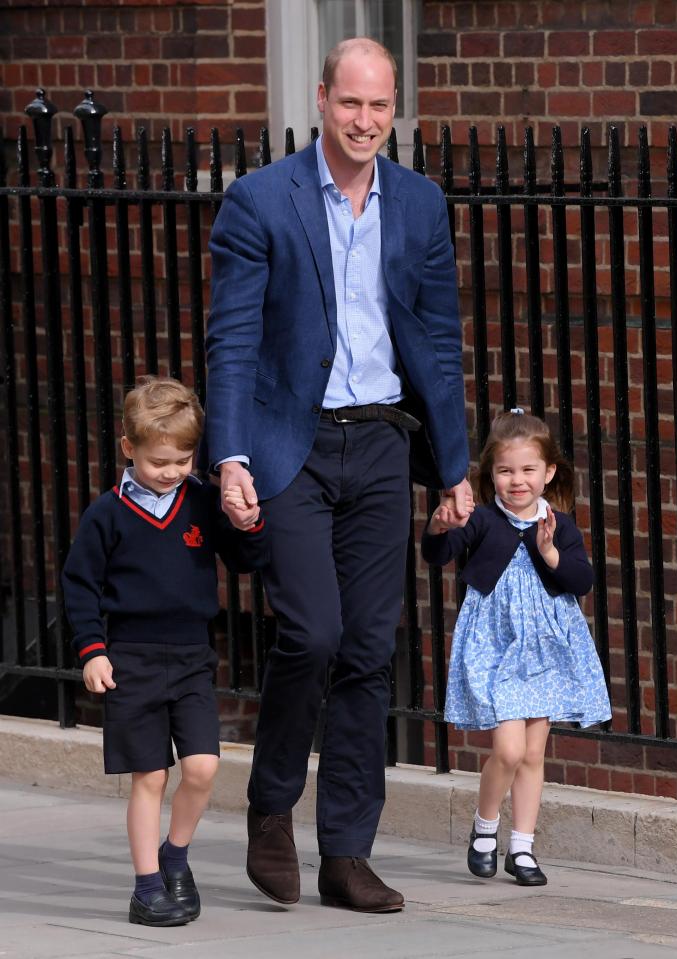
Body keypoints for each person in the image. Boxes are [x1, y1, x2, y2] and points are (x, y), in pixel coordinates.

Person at [205, 37, 472, 912]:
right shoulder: (259, 202)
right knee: (312, 632)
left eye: (380, 107)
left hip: (384, 444)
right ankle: (273, 807)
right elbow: (233, 341)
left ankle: (347, 853)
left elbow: (436, 343)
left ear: (397, 109)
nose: (365, 123)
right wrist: (231, 453)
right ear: (321, 98)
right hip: (295, 446)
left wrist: (457, 468)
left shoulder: (421, 205)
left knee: (368, 648)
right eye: (350, 104)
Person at [61, 376, 268, 927]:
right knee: (149, 776)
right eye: (159, 461)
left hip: (192, 658)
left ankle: (175, 856)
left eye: (183, 459)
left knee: (202, 768)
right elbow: (79, 585)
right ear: (129, 449)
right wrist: (93, 651)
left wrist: (247, 523)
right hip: (130, 658)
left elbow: (246, 559)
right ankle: (147, 886)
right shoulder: (107, 514)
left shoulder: (201, 499)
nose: (173, 470)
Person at [422, 409, 612, 887]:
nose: (517, 480)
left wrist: (550, 552)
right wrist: (439, 528)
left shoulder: (560, 524)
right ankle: (485, 829)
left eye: (528, 470)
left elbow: (581, 580)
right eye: (506, 471)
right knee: (507, 750)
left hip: (545, 649)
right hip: (496, 644)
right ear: (491, 475)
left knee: (532, 753)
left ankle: (522, 848)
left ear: (548, 472)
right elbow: (439, 554)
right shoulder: (484, 519)